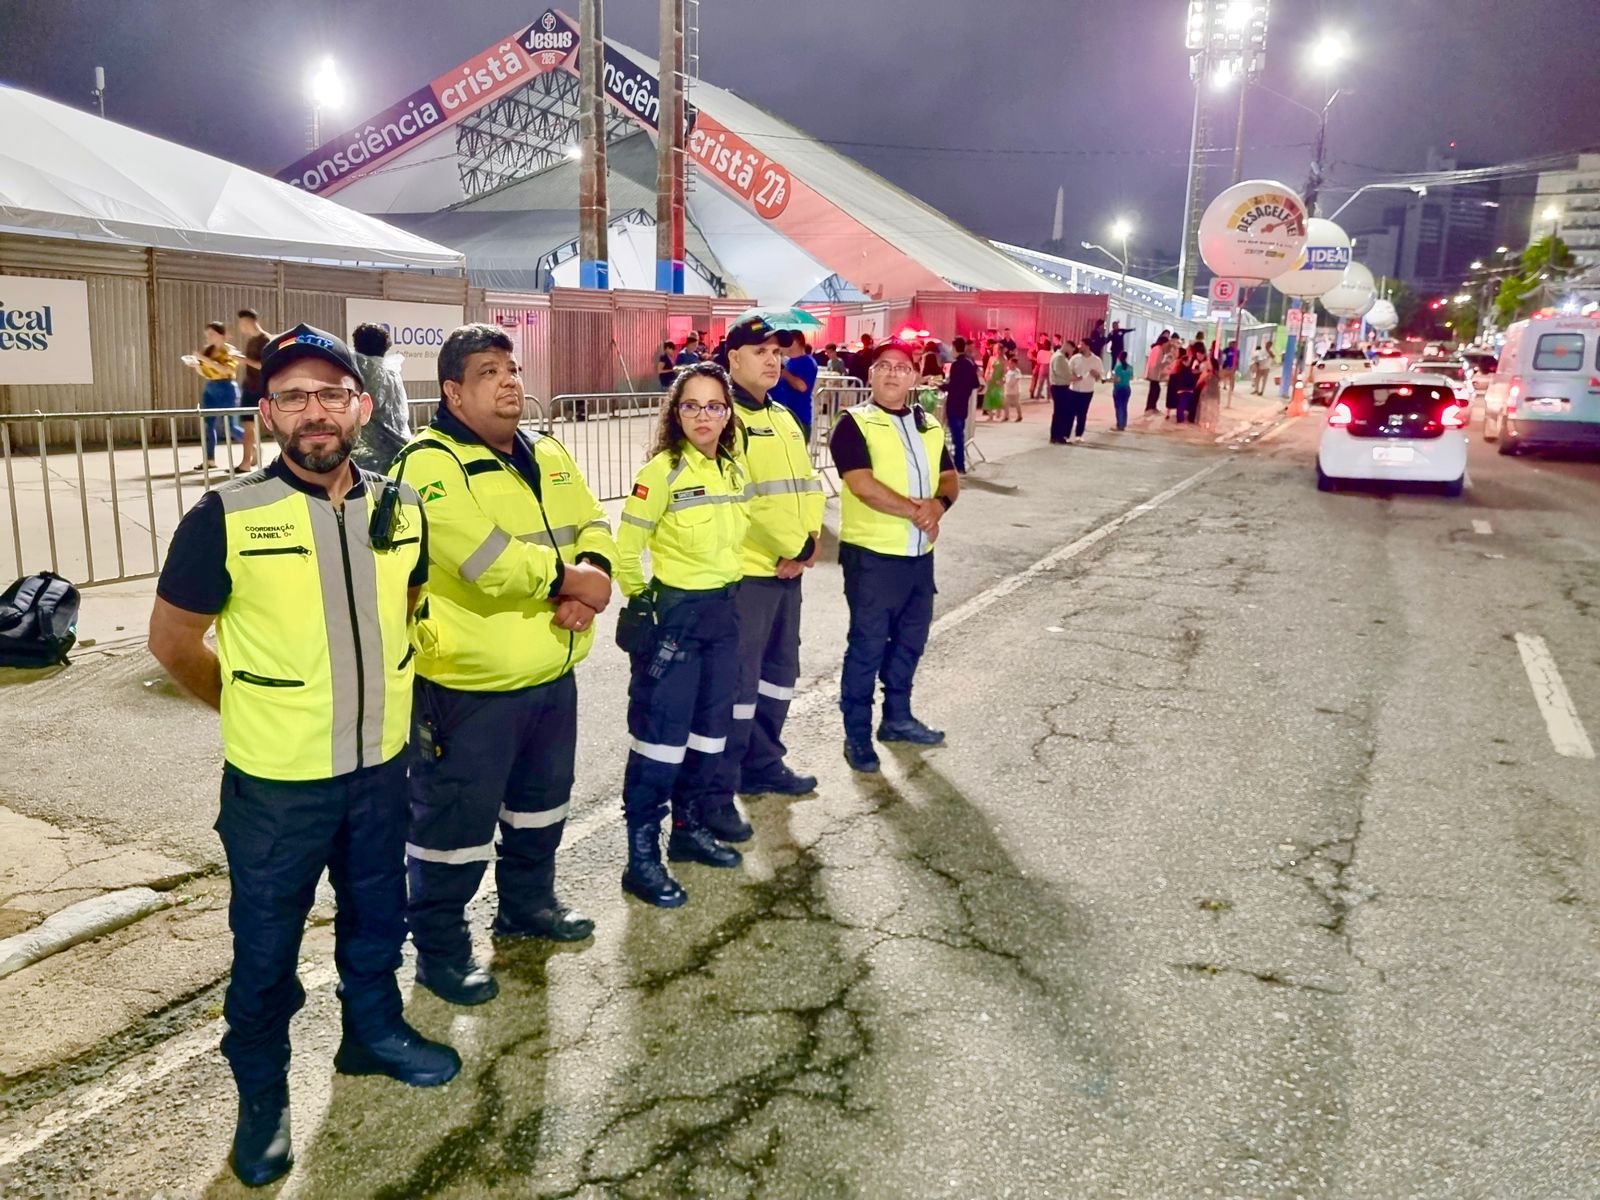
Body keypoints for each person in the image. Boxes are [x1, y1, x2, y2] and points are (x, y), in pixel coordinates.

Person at [148, 324, 456, 1187]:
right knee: (266, 951)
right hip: (277, 789)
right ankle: (263, 1095)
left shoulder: (402, 507)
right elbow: (173, 643)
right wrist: (249, 707)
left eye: (330, 394)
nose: (313, 411)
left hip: (380, 771)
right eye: (292, 396)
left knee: (377, 919)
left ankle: (372, 1034)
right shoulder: (226, 516)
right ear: (268, 413)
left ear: (359, 406)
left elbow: (409, 605)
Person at [389, 324, 616, 1007]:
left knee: (540, 807)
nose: (510, 381)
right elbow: (480, 559)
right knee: (453, 829)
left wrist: (593, 576)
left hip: (551, 672)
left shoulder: (546, 450)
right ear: (453, 392)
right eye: (489, 372)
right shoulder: (428, 465)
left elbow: (592, 522)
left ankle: (527, 906)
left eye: (511, 368)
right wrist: (571, 582)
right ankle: (440, 950)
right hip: (470, 687)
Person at [614, 363, 750, 906]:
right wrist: (643, 601)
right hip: (678, 619)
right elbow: (626, 550)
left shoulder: (733, 470)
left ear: (728, 414)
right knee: (660, 740)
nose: (703, 416)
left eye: (714, 406)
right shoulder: (661, 472)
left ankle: (688, 831)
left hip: (724, 616)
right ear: (676, 412)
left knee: (709, 734)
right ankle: (641, 857)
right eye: (691, 405)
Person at [710, 315, 826, 833]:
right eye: (760, 351)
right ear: (733, 358)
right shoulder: (724, 419)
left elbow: (809, 484)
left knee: (780, 674)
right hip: (748, 573)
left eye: (777, 352)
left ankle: (763, 763)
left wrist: (811, 540)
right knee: (738, 684)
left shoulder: (782, 416)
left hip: (788, 571)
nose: (773, 360)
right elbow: (740, 498)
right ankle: (724, 781)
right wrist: (792, 546)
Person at [829, 338, 960, 773]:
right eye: (883, 365)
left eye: (902, 367)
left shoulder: (929, 425)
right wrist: (919, 513)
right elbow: (861, 485)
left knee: (910, 641)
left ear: (915, 376)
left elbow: (949, 478)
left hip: (919, 557)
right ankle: (857, 735)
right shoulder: (853, 424)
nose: (892, 373)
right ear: (870, 374)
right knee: (866, 647)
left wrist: (938, 506)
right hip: (872, 557)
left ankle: (897, 719)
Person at [350, 323, 413, 473]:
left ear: (356, 345)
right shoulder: (392, 373)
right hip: (399, 450)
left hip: (367, 457)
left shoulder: (357, 371)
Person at [183, 322, 244, 472]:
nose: (208, 338)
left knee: (230, 425)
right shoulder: (207, 351)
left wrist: (204, 360)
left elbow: (225, 370)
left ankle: (252, 447)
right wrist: (196, 365)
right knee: (208, 425)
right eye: (207, 335)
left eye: (211, 334)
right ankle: (209, 459)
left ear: (222, 335)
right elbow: (204, 372)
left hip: (227, 387)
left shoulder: (229, 351)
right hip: (211, 387)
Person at [234, 309, 268, 473]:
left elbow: (264, 365)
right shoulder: (251, 341)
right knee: (248, 425)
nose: (241, 327)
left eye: (242, 323)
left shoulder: (265, 340)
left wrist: (244, 360)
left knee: (250, 426)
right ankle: (249, 459)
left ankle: (246, 462)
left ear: (250, 321)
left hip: (260, 388)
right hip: (249, 387)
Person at [941, 336, 981, 472]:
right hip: (964, 404)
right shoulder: (969, 364)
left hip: (953, 404)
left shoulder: (956, 365)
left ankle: (959, 465)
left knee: (957, 436)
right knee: (959, 435)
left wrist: (942, 386)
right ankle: (959, 463)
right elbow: (975, 383)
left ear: (954, 348)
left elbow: (953, 386)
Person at [769, 334, 819, 437]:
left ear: (796, 342)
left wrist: (784, 373)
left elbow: (802, 387)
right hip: (783, 415)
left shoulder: (808, 362)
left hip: (799, 416)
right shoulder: (788, 362)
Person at [1066, 339, 1104, 441]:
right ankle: (1066, 434)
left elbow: (1100, 377)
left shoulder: (1096, 360)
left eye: (1081, 344)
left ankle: (1079, 435)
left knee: (1082, 414)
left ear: (1087, 346)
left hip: (1087, 391)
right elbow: (1068, 371)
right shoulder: (1075, 358)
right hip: (1073, 389)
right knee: (1070, 413)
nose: (1079, 346)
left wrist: (1096, 374)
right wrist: (1073, 376)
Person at [1048, 338, 1076, 444]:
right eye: (1072, 349)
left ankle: (1056, 435)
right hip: (1059, 387)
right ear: (1067, 346)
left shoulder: (1060, 356)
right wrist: (1075, 378)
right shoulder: (1059, 357)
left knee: (1059, 412)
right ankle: (1057, 436)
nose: (1071, 351)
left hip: (1060, 387)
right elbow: (1062, 373)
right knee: (1061, 412)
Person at [1143, 331, 1171, 415]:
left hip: (1154, 374)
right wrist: (1165, 363)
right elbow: (1155, 364)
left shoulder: (1158, 349)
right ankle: (1150, 407)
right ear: (1163, 343)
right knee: (1155, 390)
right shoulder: (1158, 349)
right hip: (1153, 374)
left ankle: (1151, 407)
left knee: (1155, 390)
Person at [1110, 351, 1134, 431]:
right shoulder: (1130, 367)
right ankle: (1123, 424)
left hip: (1119, 388)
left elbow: (1118, 379)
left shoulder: (1118, 367)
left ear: (1119, 358)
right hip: (1127, 388)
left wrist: (1111, 379)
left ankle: (1119, 425)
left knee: (1119, 407)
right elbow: (1131, 378)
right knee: (1124, 407)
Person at [981, 348, 1006, 422]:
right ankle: (990, 415)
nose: (997, 351)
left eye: (999, 349)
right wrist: (986, 375)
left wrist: (1002, 379)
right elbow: (988, 368)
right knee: (988, 397)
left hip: (998, 379)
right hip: (991, 379)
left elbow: (1005, 371)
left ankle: (999, 413)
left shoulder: (1004, 359)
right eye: (996, 349)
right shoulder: (991, 358)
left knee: (997, 397)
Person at [1002, 352, 1026, 422]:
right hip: (1007, 390)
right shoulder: (1008, 371)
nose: (1010, 364)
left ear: (1015, 364)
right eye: (1009, 363)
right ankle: (1006, 416)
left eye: (1011, 363)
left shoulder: (1017, 371)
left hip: (1015, 391)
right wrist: (1002, 382)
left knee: (1016, 404)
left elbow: (1018, 378)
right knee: (1005, 404)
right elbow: (1005, 379)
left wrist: (1012, 384)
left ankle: (1019, 416)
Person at [1031, 335, 1052, 399]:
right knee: (1049, 384)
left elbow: (1038, 360)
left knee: (1040, 383)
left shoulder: (1041, 352)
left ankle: (1038, 396)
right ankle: (1049, 396)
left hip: (1042, 367)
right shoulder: (1051, 352)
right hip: (1049, 367)